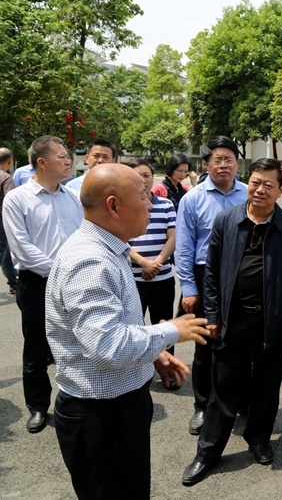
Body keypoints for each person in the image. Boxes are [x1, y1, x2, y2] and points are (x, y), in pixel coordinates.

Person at [45, 163, 210, 500]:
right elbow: (108, 346)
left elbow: (113, 328)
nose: (151, 205)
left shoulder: (109, 247)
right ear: (113, 205)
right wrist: (169, 331)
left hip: (116, 404)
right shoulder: (91, 261)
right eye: (143, 197)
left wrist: (150, 354)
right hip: (102, 414)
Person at [182, 158, 282, 486]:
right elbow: (212, 272)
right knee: (223, 390)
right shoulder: (226, 220)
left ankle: (259, 438)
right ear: (247, 182)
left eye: (268, 184)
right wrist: (213, 316)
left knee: (266, 387)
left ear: (281, 190)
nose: (260, 189)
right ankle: (208, 451)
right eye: (255, 182)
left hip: (272, 322)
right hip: (232, 320)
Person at [2, 136, 83, 434]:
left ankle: (76, 398)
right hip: (37, 284)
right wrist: (61, 271)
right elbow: (22, 248)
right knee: (36, 348)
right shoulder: (17, 198)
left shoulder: (73, 198)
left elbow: (84, 236)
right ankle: (37, 406)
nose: (68, 161)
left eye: (68, 156)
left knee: (76, 343)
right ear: (41, 162)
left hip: (74, 281)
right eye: (62, 156)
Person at [175, 136, 248, 435]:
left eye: (229, 159)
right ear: (206, 164)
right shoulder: (192, 199)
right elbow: (184, 246)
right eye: (217, 159)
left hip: (242, 275)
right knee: (205, 345)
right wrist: (189, 288)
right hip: (205, 275)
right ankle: (203, 405)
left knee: (240, 344)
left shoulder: (249, 193)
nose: (223, 165)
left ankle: (239, 401)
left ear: (237, 164)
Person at [126, 159, 178, 385]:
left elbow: (172, 237)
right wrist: (142, 263)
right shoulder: (124, 205)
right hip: (132, 279)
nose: (143, 180)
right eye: (137, 176)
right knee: (133, 329)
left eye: (146, 175)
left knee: (164, 327)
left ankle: (168, 372)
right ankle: (137, 376)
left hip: (162, 277)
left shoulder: (166, 205)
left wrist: (156, 263)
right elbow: (121, 240)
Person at [0, 147, 18, 295]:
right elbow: (10, 201)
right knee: (2, 251)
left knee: (5, 254)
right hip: (1, 220)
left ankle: (13, 283)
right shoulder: (5, 178)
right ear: (10, 162)